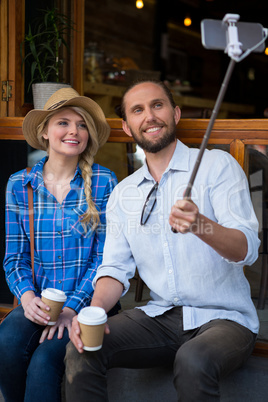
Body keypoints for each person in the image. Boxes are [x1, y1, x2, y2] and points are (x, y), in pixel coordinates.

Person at [65, 80, 260, 401]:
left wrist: (201, 225)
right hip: (161, 317)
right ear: (127, 127)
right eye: (138, 110)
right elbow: (114, 269)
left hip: (226, 319)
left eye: (158, 105)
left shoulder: (216, 167)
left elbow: (247, 249)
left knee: (193, 358)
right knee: (83, 350)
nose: (150, 116)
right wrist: (95, 312)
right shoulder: (124, 193)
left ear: (176, 113)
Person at [0, 87, 120, 402]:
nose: (73, 131)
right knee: (7, 343)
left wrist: (72, 309)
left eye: (82, 125)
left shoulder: (106, 182)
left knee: (43, 362)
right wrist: (26, 298)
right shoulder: (19, 184)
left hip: (90, 301)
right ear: (44, 131)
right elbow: (14, 257)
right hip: (39, 301)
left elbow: (105, 258)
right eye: (63, 122)